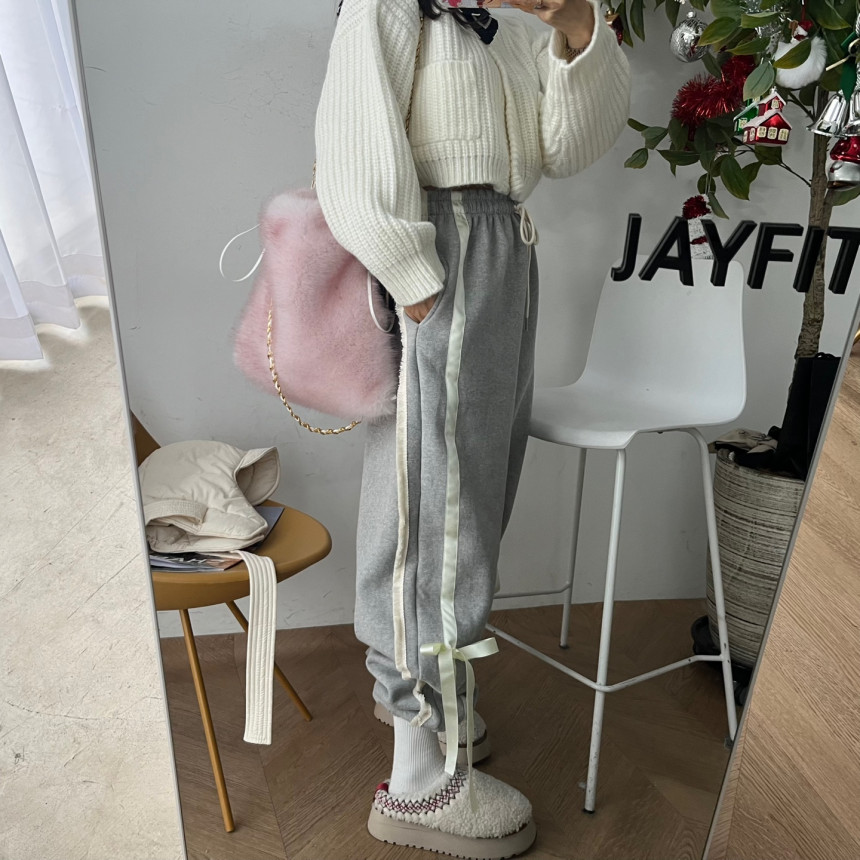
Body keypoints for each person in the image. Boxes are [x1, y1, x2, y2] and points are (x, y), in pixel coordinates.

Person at [315, 0, 630, 855]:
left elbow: (569, 147)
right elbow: (354, 140)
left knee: (471, 499)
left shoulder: (512, 20)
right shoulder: (391, 7)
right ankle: (418, 776)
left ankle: (436, 706)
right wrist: (417, 280)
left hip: (503, 247)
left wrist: (575, 28)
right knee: (433, 511)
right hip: (442, 248)